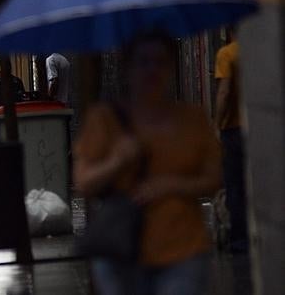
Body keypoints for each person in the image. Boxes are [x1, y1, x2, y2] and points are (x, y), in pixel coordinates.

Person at [73, 32, 221, 295]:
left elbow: (215, 178)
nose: (152, 69)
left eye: (160, 61)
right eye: (143, 62)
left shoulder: (192, 119)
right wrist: (117, 161)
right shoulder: (106, 120)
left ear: (171, 67)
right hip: (122, 253)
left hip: (183, 249)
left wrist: (172, 185)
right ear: (128, 68)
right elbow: (84, 182)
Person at [215, 32, 248, 254]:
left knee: (234, 185)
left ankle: (239, 238)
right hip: (255, 128)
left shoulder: (227, 54)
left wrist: (217, 124)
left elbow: (225, 92)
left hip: (233, 130)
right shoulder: (254, 53)